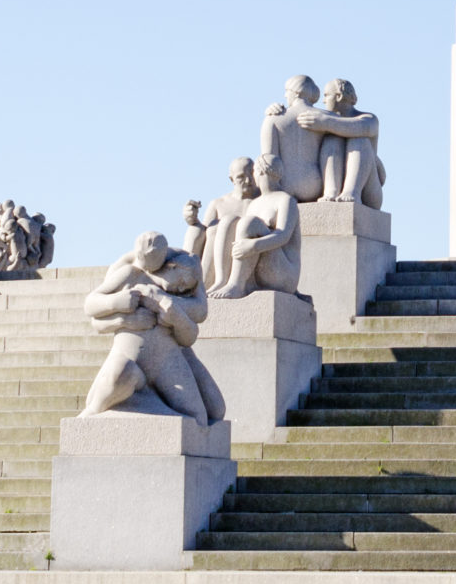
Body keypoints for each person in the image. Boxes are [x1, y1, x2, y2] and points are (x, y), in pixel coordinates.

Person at [79, 232, 224, 424]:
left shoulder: (186, 272)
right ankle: (139, 397)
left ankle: (148, 401)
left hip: (166, 360)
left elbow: (193, 328)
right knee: (118, 377)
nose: (181, 289)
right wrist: (118, 304)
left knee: (198, 418)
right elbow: (91, 305)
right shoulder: (130, 272)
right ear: (171, 267)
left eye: (185, 288)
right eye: (181, 283)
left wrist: (175, 315)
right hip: (131, 355)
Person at [208, 156, 303, 299]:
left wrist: (253, 245)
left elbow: (283, 235)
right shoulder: (255, 203)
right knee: (229, 220)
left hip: (283, 273)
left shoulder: (285, 200)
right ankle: (222, 281)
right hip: (259, 270)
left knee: (250, 223)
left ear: (261, 173)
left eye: (254, 173)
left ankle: (236, 285)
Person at [303, 80, 385, 207]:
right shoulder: (325, 119)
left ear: (339, 96)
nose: (323, 101)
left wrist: (326, 123)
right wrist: (276, 110)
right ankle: (331, 191)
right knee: (332, 139)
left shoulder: (368, 118)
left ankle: (352, 191)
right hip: (335, 189)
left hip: (367, 192)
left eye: (326, 95)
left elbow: (361, 127)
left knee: (359, 140)